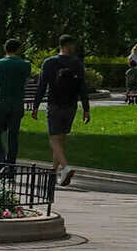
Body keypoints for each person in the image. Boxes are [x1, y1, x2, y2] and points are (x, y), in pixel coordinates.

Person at [30, 35, 91, 187]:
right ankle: (53, 172)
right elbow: (82, 87)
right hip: (70, 105)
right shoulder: (77, 63)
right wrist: (86, 108)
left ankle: (65, 167)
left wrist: (35, 105)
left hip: (54, 104)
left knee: (53, 138)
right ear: (67, 46)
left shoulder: (50, 63)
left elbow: (42, 86)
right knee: (61, 139)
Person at [0, 39, 31, 165]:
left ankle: (0, 158)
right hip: (17, 102)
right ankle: (10, 166)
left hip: (2, 102)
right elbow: (25, 83)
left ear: (5, 49)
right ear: (19, 49)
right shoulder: (26, 64)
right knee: (13, 135)